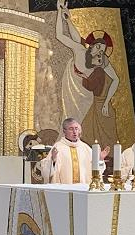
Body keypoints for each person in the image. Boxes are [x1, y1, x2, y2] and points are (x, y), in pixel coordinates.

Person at [55, 0, 119, 146]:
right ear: (92, 45)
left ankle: (80, 148)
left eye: (102, 51)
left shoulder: (101, 63)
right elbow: (60, 35)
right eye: (98, 47)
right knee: (68, 117)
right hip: (72, 85)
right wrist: (61, 13)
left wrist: (107, 101)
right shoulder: (80, 49)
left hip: (86, 95)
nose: (99, 52)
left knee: (81, 123)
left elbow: (116, 79)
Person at [39, 118, 110, 184]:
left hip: (83, 189)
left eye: (76, 129)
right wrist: (53, 161)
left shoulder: (86, 148)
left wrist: (100, 160)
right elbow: (46, 173)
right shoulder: (58, 148)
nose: (74, 132)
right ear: (64, 131)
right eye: (71, 129)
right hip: (64, 190)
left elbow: (97, 172)